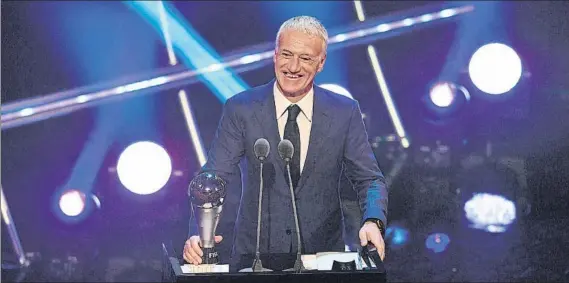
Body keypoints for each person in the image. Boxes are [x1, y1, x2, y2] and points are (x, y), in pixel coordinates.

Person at [183, 15, 388, 268]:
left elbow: (370, 179)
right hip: (255, 258)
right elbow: (213, 178)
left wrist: (373, 221)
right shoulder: (242, 109)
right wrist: (199, 234)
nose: (293, 67)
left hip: (322, 259)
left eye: (305, 58)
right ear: (275, 55)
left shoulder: (344, 112)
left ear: (321, 63)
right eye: (287, 55)